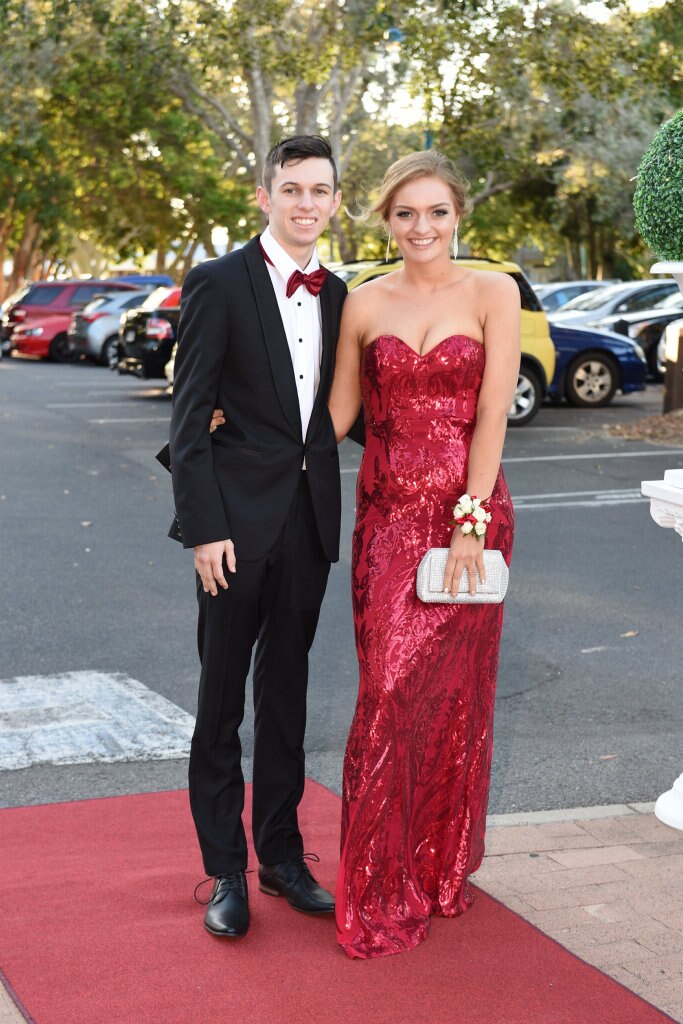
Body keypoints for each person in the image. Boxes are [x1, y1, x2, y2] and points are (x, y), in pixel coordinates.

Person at [327, 150, 521, 959]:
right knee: (386, 692)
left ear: (458, 216)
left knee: (451, 701)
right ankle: (375, 878)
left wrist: (469, 518)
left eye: (436, 211)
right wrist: (242, 427)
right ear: (385, 219)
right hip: (386, 522)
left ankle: (437, 866)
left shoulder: (492, 291)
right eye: (406, 213)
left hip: (466, 519)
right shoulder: (363, 304)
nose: (421, 227)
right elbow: (335, 416)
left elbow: (492, 415)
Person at [168, 135, 347, 939]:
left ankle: (281, 855)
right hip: (232, 535)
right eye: (292, 188)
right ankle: (225, 872)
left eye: (320, 190)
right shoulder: (216, 284)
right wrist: (203, 529)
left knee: (286, 699)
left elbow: (349, 417)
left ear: (335, 201)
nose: (306, 202)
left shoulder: (341, 295)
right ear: (263, 195)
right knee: (219, 705)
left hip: (308, 529)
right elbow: (189, 416)